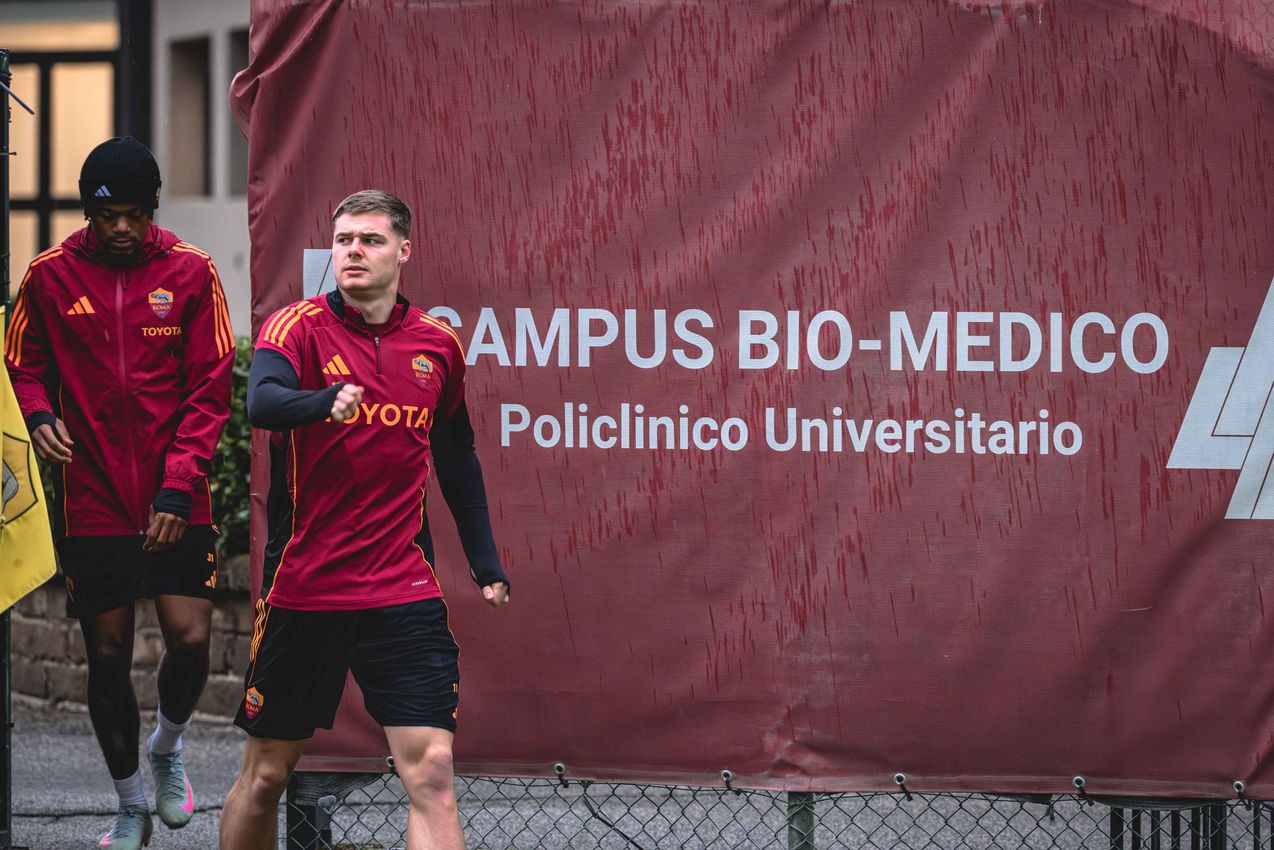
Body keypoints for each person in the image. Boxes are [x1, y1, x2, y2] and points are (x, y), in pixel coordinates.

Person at [220, 189, 511, 850]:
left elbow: (456, 453)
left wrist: (485, 562)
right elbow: (262, 402)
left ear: (404, 251)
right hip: (306, 590)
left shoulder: (437, 344)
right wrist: (323, 403)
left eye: (371, 240)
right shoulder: (295, 328)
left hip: (402, 592)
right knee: (266, 776)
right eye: (345, 239)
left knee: (433, 773)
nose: (353, 251)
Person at [5, 136, 234, 848]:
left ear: (152, 209)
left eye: (135, 215)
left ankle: (166, 750)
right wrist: (40, 415)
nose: (123, 230)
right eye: (109, 218)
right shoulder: (49, 276)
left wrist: (177, 486)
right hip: (93, 495)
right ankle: (129, 804)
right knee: (104, 657)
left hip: (177, 496)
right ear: (90, 215)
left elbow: (210, 387)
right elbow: (21, 361)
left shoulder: (192, 273)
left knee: (191, 640)